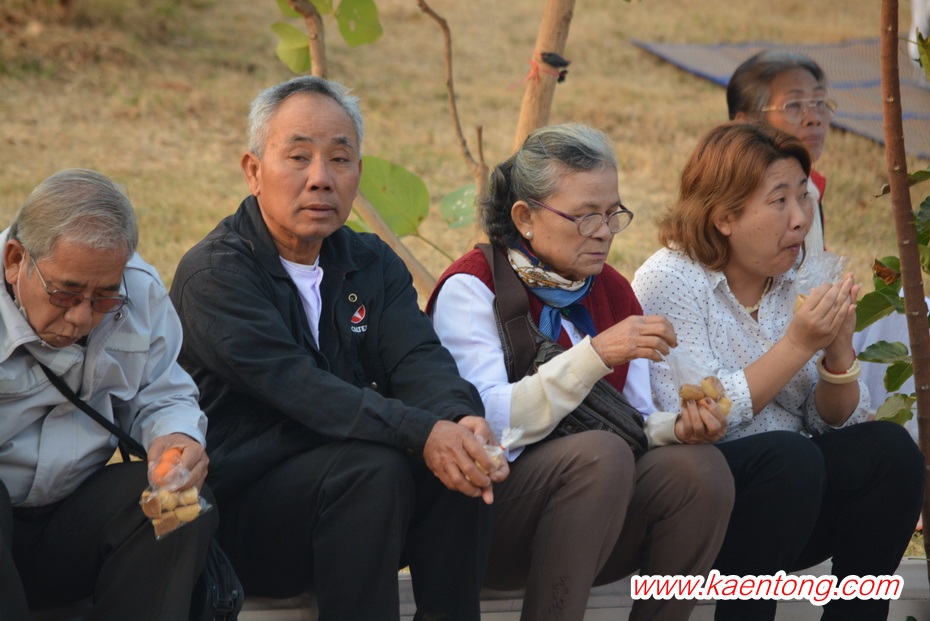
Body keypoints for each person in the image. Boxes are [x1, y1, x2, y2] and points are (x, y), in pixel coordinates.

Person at [169, 75, 509, 621]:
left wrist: (457, 417)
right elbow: (301, 389)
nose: (321, 179)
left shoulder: (370, 261)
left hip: (356, 501)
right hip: (241, 518)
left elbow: (418, 358)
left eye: (340, 160)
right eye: (298, 157)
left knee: (459, 464)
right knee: (375, 468)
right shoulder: (215, 275)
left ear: (358, 173)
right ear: (253, 171)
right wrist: (422, 432)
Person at [427, 123, 735, 621]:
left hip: (594, 514)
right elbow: (486, 422)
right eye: (586, 215)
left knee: (702, 471)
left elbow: (633, 422)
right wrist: (596, 356)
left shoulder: (610, 290)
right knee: (600, 454)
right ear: (525, 217)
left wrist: (677, 429)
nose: (604, 231)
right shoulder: (473, 287)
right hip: (487, 517)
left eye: (613, 213)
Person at [632, 122, 925, 621]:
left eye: (803, 196)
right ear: (724, 216)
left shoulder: (800, 276)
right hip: (705, 508)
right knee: (789, 458)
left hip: (794, 498)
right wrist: (798, 344)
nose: (800, 219)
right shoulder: (671, 278)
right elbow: (702, 414)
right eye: (779, 201)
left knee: (890, 451)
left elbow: (832, 421)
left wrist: (838, 355)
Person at [0, 169, 216, 620]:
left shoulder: (138, 291)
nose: (82, 318)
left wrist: (175, 441)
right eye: (65, 293)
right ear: (15, 260)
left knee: (181, 505)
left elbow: (163, 392)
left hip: (70, 519)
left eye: (103, 298)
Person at [727, 49, 925, 437]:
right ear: (744, 123)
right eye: (794, 105)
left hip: (811, 343)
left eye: (820, 102)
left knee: (914, 310)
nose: (814, 117)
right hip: (764, 356)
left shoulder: (811, 193)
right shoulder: (730, 197)